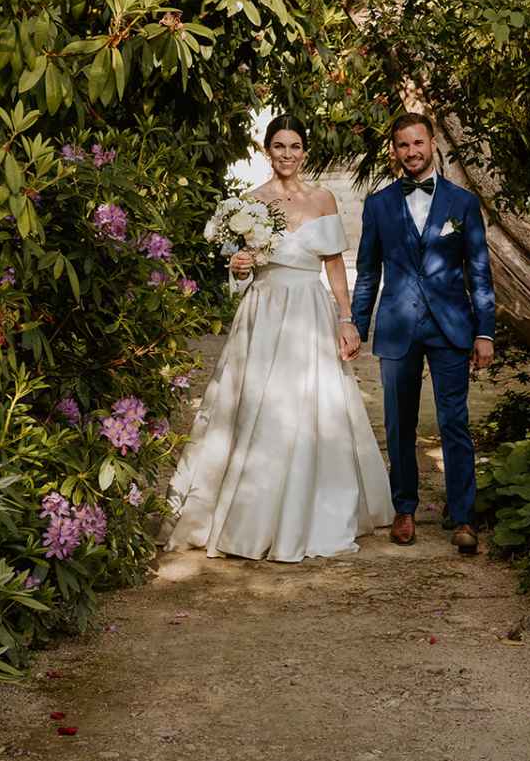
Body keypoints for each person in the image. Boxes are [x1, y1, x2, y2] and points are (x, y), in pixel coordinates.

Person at [162, 115, 394, 562]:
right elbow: (238, 270)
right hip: (264, 311)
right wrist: (239, 269)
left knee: (313, 406)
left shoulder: (323, 199)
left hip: (310, 308)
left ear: (304, 152)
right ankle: (249, 513)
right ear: (268, 151)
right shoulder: (248, 203)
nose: (287, 154)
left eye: (295, 146)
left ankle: (312, 512)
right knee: (255, 405)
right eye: (279, 146)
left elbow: (332, 267)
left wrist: (347, 320)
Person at [351, 113, 495, 554]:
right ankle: (404, 508)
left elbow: (479, 272)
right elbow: (366, 272)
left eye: (418, 143)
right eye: (402, 145)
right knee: (399, 423)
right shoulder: (377, 205)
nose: (411, 152)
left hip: (451, 327)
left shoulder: (463, 203)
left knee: (455, 422)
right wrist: (356, 327)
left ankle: (464, 516)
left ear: (432, 143)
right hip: (397, 328)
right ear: (393, 150)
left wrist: (484, 332)